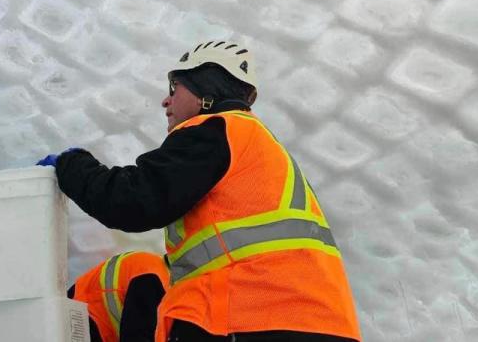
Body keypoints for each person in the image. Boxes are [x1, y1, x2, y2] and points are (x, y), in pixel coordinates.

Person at [39, 41, 361, 342]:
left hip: (256, 321)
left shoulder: (217, 130)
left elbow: (134, 199)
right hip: (317, 326)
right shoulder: (259, 148)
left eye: (174, 87)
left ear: (204, 91)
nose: (166, 101)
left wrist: (71, 165)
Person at [67, 251, 169, 342]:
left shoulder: (154, 269)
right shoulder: (152, 279)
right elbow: (136, 336)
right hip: (82, 320)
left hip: (86, 320)